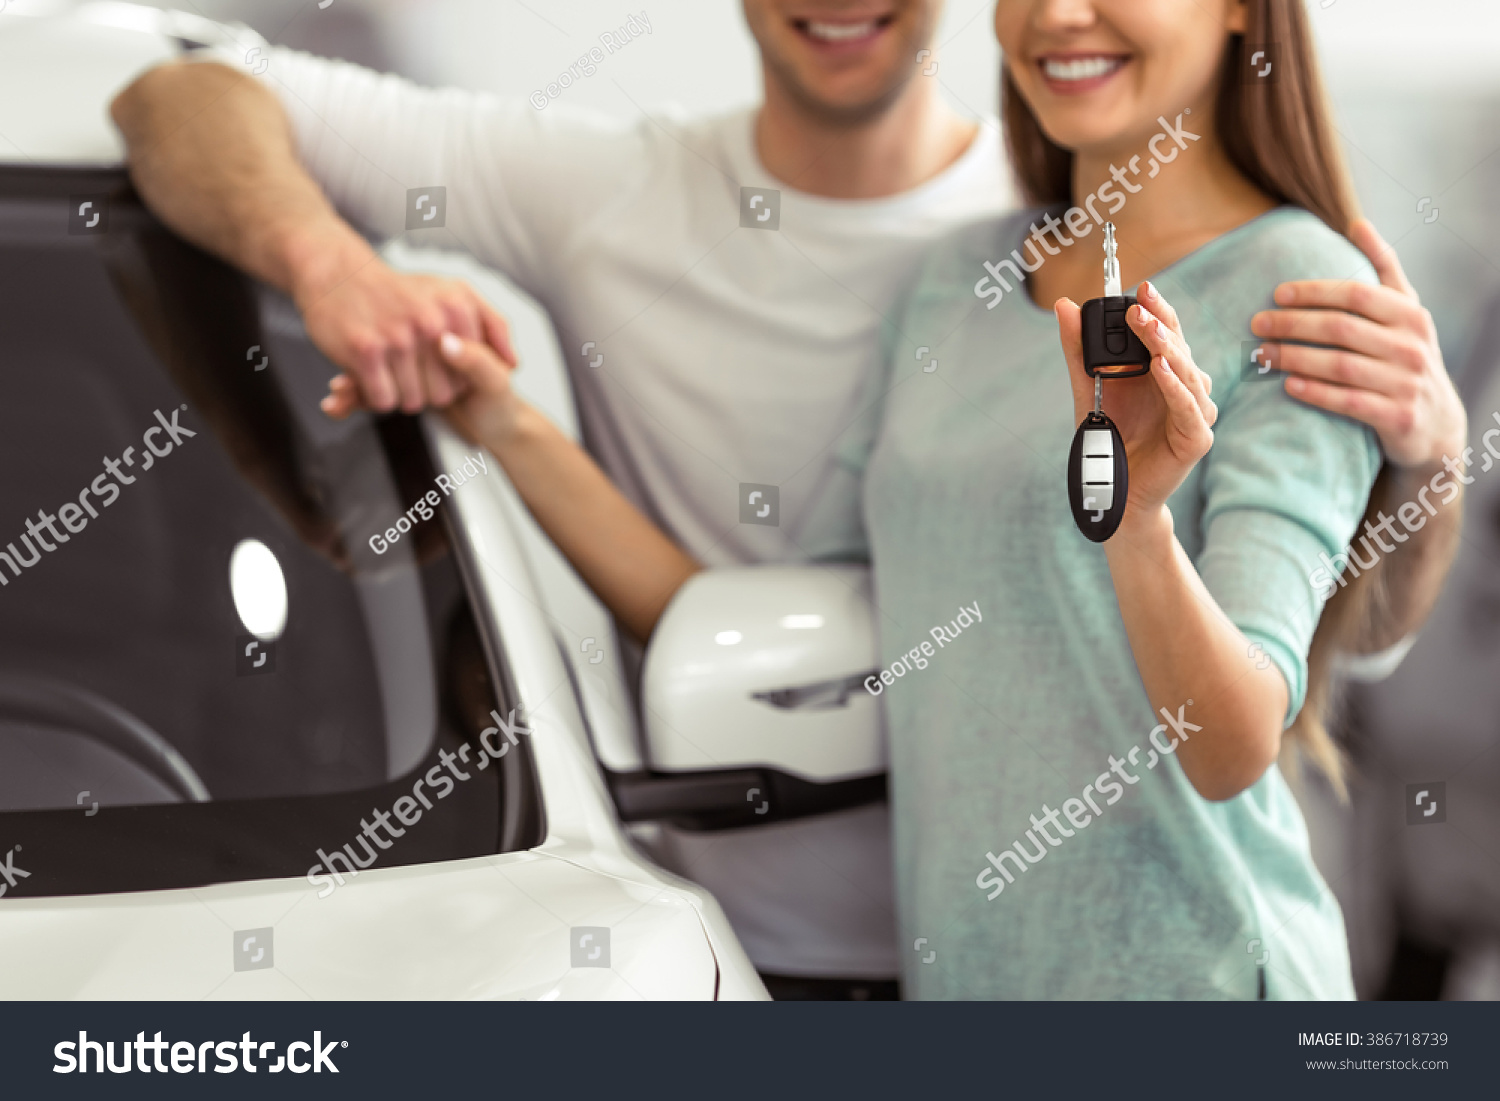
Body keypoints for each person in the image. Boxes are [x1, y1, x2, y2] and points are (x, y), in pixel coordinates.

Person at [110, 0, 1462, 997]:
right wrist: (495, 415)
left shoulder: (1301, 287)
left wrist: (1157, 508)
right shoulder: (958, 283)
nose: (1061, 15)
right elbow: (735, 624)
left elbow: (1239, 734)